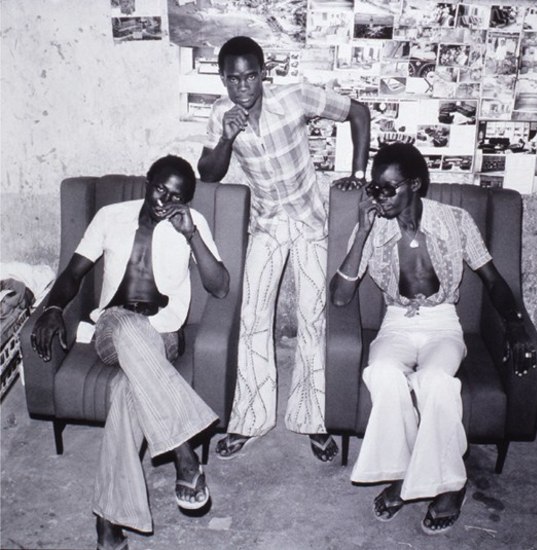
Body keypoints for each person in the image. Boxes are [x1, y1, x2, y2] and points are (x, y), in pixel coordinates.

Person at [330, 142, 536, 535]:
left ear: (415, 185)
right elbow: (340, 297)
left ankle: (448, 484)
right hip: (397, 322)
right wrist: (362, 233)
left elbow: (493, 280)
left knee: (436, 382)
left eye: (388, 189)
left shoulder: (454, 220)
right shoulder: (372, 225)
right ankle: (402, 473)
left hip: (443, 323)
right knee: (383, 372)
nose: (379, 197)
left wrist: (515, 325)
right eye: (375, 188)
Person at [30, 155, 229, 550]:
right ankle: (184, 451)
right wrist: (53, 308)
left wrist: (192, 236)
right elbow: (73, 273)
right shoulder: (110, 216)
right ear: (146, 181)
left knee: (126, 392)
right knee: (123, 322)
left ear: (186, 200)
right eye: (159, 189)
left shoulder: (191, 224)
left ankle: (109, 523)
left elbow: (220, 286)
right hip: (111, 330)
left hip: (163, 338)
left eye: (175, 196)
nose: (164, 200)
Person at [198, 36, 370, 462]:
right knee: (253, 314)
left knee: (313, 319)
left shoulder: (294, 97)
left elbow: (358, 112)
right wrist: (226, 140)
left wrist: (359, 172)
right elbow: (208, 173)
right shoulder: (222, 113)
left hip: (310, 220)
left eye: (250, 76)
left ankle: (312, 421)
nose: (242, 87)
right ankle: (250, 420)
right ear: (223, 79)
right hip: (268, 223)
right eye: (233, 79)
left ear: (263, 73)